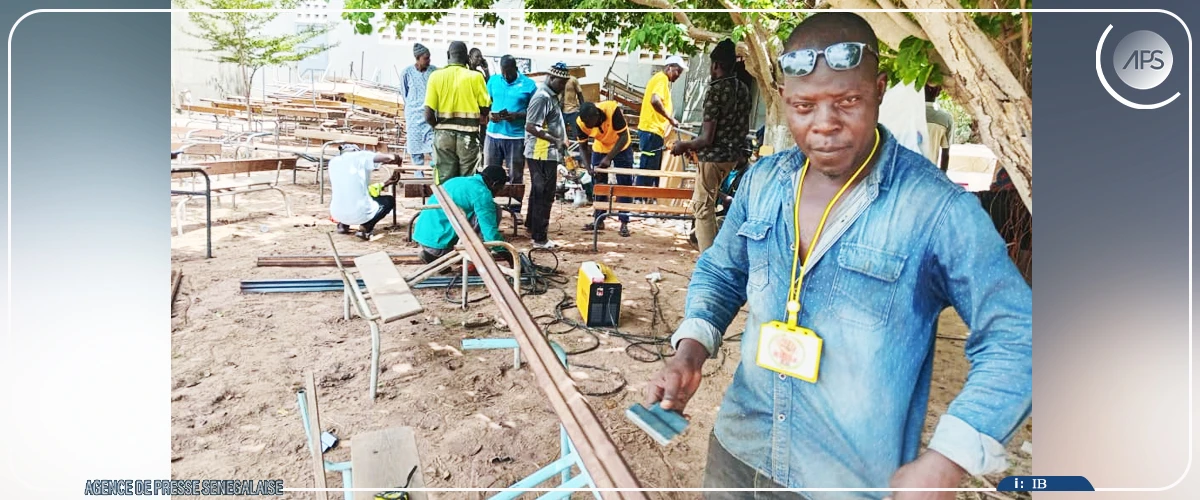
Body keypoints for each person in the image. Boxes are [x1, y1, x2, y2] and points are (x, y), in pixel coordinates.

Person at [643, 12, 1032, 500]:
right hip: (739, 453)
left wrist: (947, 460)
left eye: (847, 101)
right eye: (804, 106)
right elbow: (722, 272)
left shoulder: (935, 209)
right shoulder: (763, 183)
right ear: (784, 98)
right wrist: (688, 353)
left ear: (879, 90)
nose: (825, 124)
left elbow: (1018, 336)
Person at [669, 39, 752, 252]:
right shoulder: (743, 89)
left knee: (702, 207)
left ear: (715, 65)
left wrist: (683, 145)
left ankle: (709, 260)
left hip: (713, 158)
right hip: (732, 158)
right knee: (710, 203)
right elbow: (739, 128)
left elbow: (707, 138)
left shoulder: (715, 91)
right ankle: (718, 251)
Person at [411, 164, 512, 265]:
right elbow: (490, 234)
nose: (497, 193)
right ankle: (477, 256)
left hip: (423, 237)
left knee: (478, 212)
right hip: (439, 244)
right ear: (494, 184)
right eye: (500, 188)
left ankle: (434, 255)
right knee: (494, 210)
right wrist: (509, 256)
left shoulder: (457, 180)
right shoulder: (482, 193)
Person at [424, 41, 491, 185]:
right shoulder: (476, 77)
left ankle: (445, 200)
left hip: (443, 136)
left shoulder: (435, 76)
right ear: (467, 58)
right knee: (468, 181)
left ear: (448, 55)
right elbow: (485, 109)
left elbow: (428, 115)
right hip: (468, 137)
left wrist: (439, 128)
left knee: (445, 182)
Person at [522, 62, 572, 249]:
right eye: (561, 82)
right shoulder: (542, 97)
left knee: (538, 192)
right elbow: (530, 126)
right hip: (541, 152)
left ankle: (532, 226)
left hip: (546, 152)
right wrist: (555, 140)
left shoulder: (551, 96)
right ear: (551, 78)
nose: (563, 86)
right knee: (544, 194)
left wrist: (562, 138)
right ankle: (540, 238)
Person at [576, 100, 634, 237]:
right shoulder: (581, 122)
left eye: (590, 122)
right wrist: (588, 167)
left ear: (597, 115)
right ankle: (599, 220)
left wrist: (608, 158)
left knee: (624, 185)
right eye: (586, 123)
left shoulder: (612, 110)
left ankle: (624, 222)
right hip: (601, 147)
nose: (588, 126)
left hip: (621, 146)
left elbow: (624, 136)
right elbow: (582, 146)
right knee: (599, 185)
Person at [328, 145, 403, 241]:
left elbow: (355, 188)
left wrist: (386, 183)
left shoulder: (333, 162)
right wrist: (396, 158)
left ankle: (343, 225)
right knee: (389, 200)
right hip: (359, 212)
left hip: (337, 214)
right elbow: (388, 158)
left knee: (348, 196)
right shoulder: (360, 156)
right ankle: (366, 227)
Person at [485, 55, 538, 184]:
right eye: (503, 73)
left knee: (515, 176)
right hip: (493, 135)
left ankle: (514, 198)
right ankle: (491, 197)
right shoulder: (493, 81)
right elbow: (486, 104)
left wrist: (517, 115)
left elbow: (536, 112)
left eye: (509, 72)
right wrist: (489, 114)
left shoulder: (529, 85)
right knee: (489, 176)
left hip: (516, 138)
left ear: (516, 68)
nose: (506, 76)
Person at [635, 56, 687, 188]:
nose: (678, 75)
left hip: (654, 132)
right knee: (648, 171)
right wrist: (670, 119)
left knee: (652, 170)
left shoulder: (662, 80)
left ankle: (646, 197)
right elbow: (655, 100)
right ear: (669, 67)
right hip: (651, 132)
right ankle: (640, 198)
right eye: (677, 71)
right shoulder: (661, 79)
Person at [400, 43, 437, 174]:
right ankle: (418, 177)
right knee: (416, 152)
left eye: (429, 57)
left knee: (434, 148)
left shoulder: (434, 72)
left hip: (429, 116)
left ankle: (436, 175)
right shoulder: (407, 73)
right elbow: (404, 93)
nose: (429, 60)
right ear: (418, 58)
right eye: (426, 58)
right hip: (413, 117)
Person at [924, 84, 955, 172]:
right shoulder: (946, 119)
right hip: (930, 172)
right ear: (938, 92)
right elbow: (945, 153)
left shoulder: (909, 116)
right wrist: (942, 176)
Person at [560, 70, 586, 142]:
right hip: (561, 111)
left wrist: (583, 108)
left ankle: (578, 147)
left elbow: (580, 94)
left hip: (573, 111)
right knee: (561, 135)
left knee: (577, 134)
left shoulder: (573, 80)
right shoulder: (557, 81)